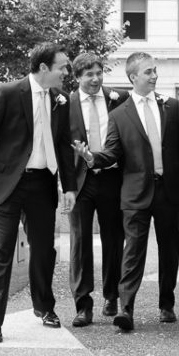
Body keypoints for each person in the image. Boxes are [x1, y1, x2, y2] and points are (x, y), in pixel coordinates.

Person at [0, 42, 76, 344]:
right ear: (43, 68)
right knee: (1, 251)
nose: (67, 72)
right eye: (62, 66)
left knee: (43, 250)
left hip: (42, 184)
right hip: (6, 185)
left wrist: (70, 187)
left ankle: (44, 308)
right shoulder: (7, 92)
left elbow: (64, 146)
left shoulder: (62, 99)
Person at [74, 53, 179, 330]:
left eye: (155, 71)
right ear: (133, 78)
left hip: (168, 192)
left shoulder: (172, 106)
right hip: (135, 193)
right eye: (148, 72)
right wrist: (92, 159)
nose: (154, 76)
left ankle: (167, 304)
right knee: (133, 251)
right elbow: (113, 151)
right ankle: (126, 309)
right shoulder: (119, 114)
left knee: (169, 248)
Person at [66, 53, 129, 327]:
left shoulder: (119, 98)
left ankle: (112, 295)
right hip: (80, 181)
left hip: (112, 178)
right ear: (77, 77)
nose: (95, 79)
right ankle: (83, 304)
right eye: (88, 74)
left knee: (114, 239)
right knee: (80, 242)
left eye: (98, 73)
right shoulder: (64, 103)